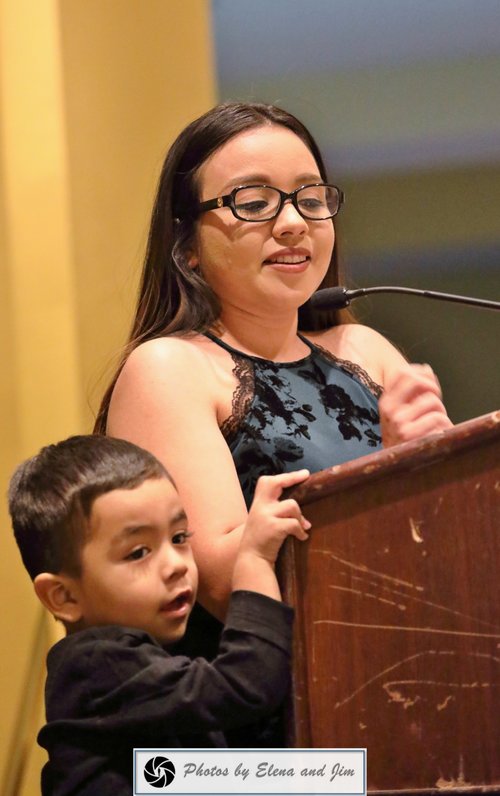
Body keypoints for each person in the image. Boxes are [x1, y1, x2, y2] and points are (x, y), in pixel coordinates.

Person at [94, 100, 451, 650]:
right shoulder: (171, 368)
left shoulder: (365, 349)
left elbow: (447, 539)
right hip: (266, 707)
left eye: (310, 199)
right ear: (186, 247)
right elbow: (224, 588)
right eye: (254, 202)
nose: (292, 224)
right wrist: (394, 474)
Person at [8, 434, 311, 794]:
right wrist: (254, 559)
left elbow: (191, 776)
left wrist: (338, 775)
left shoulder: (147, 655)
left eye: (180, 538)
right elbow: (246, 685)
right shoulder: (97, 665)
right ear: (64, 596)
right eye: (138, 553)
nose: (175, 566)